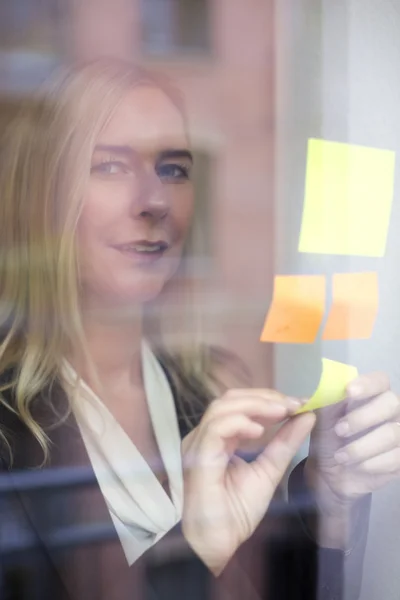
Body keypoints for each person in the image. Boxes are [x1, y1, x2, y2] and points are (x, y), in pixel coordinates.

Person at [0, 58, 398, 600]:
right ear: (42, 197)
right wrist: (197, 550)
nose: (155, 201)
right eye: (111, 166)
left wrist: (322, 500)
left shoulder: (207, 391)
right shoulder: (9, 430)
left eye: (174, 169)